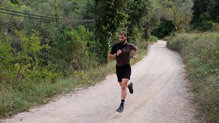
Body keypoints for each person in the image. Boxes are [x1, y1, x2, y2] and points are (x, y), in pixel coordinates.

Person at [108, 31, 138, 113]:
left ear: (125, 37)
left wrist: (135, 55)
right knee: (122, 84)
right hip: (119, 68)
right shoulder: (116, 46)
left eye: (122, 37)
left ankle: (122, 104)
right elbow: (109, 56)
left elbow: (136, 48)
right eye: (119, 37)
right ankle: (130, 85)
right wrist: (115, 55)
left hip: (126, 68)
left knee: (123, 87)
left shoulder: (129, 46)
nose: (120, 39)